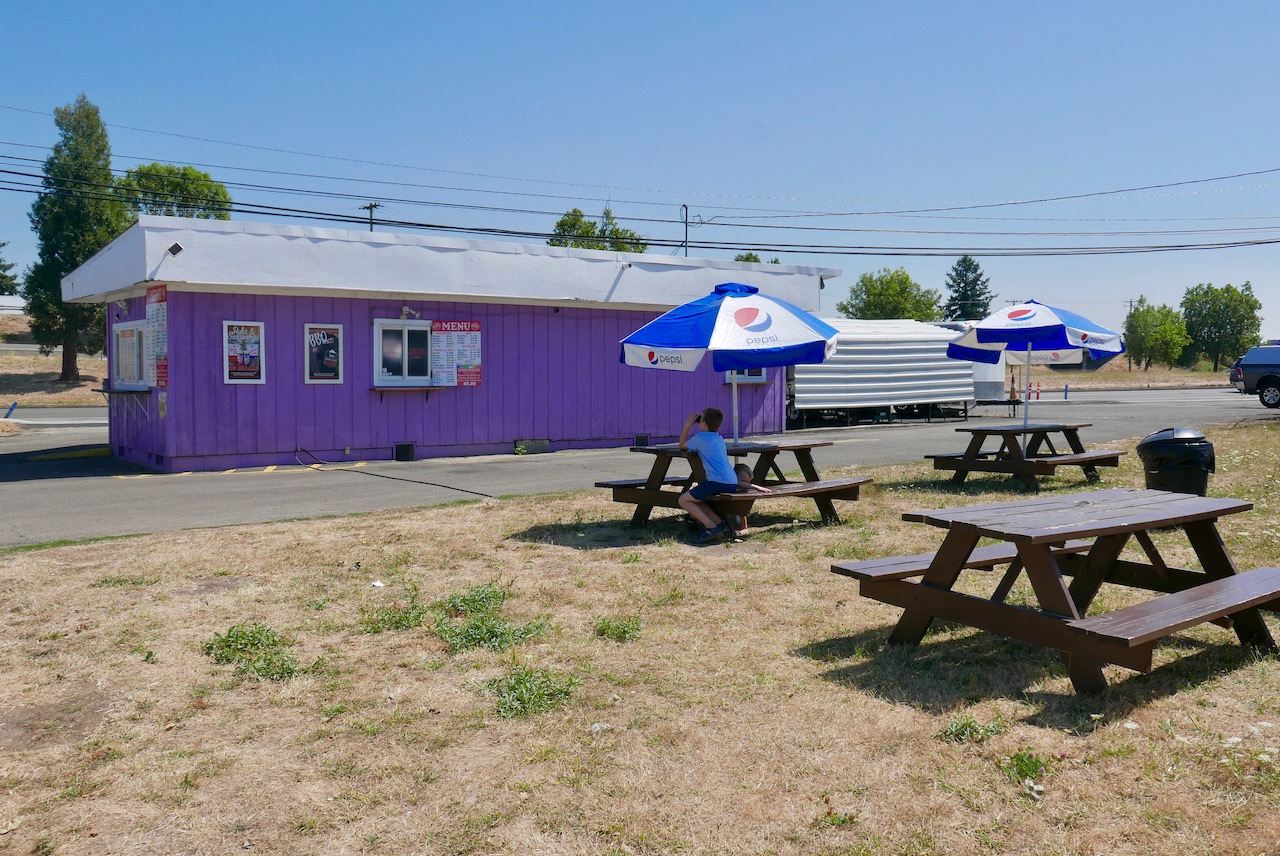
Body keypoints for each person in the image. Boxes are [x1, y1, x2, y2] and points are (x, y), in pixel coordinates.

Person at [677, 408, 738, 544]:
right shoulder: (719, 438)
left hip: (716, 481)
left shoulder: (701, 438)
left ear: (704, 424)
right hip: (732, 481)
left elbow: (682, 446)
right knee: (698, 499)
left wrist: (687, 425)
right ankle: (719, 524)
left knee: (683, 500)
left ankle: (711, 527)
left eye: (700, 421)